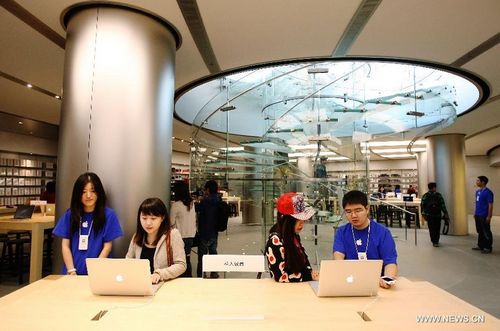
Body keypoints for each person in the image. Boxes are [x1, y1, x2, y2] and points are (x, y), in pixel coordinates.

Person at [52, 172, 123, 275]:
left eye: (93, 191)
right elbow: (65, 245)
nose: (88, 195)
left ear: (99, 192)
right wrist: (71, 271)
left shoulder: (109, 215)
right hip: (72, 272)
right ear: (78, 194)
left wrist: (95, 270)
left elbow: (107, 246)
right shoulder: (70, 214)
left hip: (99, 273)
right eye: (84, 192)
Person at [333, 190, 398, 288]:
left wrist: (387, 278)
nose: (353, 215)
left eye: (358, 210)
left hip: (377, 283)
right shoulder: (342, 232)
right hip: (350, 282)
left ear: (367, 209)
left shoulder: (382, 232)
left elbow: (390, 262)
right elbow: (338, 256)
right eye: (348, 211)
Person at [126, 197, 186, 283]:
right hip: (141, 285)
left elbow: (181, 265)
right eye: (144, 218)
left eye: (153, 218)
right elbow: (128, 260)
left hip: (164, 286)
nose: (148, 223)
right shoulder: (137, 236)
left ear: (162, 218)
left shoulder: (173, 235)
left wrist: (159, 274)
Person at [265, 192, 319, 282]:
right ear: (287, 220)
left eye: (303, 220)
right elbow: (281, 276)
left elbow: (304, 262)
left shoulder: (293, 236)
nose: (302, 224)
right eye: (297, 220)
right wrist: (309, 276)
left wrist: (311, 272)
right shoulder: (275, 241)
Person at [170, 182, 197, 277]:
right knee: (187, 258)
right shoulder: (191, 203)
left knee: (179, 261)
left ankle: (183, 277)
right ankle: (188, 277)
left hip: (180, 236)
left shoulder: (176, 205)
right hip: (190, 235)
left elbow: (171, 222)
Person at [195, 180, 220, 278]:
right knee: (213, 253)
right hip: (214, 231)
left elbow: (197, 209)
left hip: (204, 232)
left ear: (208, 189)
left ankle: (201, 274)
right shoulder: (219, 200)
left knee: (202, 256)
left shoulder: (205, 201)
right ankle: (214, 272)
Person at [420, 182, 449, 247]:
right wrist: (445, 213)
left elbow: (422, 205)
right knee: (437, 228)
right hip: (437, 215)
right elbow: (442, 205)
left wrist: (423, 214)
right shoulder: (438, 195)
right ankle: (436, 241)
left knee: (431, 228)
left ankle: (433, 241)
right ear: (434, 187)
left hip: (429, 215)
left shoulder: (425, 195)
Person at [473, 176, 494, 254]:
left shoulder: (488, 192)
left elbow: (490, 205)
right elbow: (476, 202)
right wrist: (475, 212)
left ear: (483, 182)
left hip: (484, 215)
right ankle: (481, 245)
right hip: (478, 215)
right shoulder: (477, 192)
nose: (476, 182)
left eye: (478, 181)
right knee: (480, 231)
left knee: (486, 231)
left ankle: (488, 247)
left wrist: (489, 216)